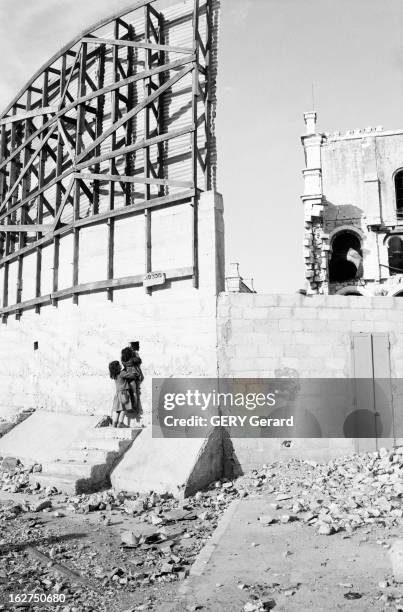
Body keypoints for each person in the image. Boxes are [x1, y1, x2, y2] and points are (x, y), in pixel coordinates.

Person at [108, 361, 137, 428]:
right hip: (124, 393)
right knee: (124, 408)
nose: (120, 366)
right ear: (117, 367)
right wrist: (133, 371)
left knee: (117, 410)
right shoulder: (122, 373)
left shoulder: (114, 375)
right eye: (119, 365)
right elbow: (132, 376)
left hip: (118, 394)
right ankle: (120, 423)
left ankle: (114, 424)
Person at [121, 342, 144, 419]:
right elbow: (139, 361)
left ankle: (129, 407)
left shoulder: (123, 361)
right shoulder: (133, 360)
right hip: (134, 377)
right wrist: (135, 353)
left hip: (127, 377)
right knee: (134, 393)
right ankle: (135, 408)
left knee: (129, 393)